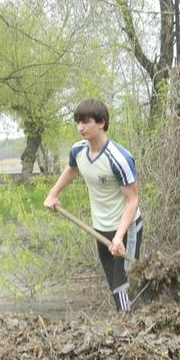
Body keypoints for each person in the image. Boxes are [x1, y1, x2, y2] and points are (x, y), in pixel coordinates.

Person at [43, 99, 142, 311]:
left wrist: (119, 236)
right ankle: (133, 322)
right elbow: (71, 169)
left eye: (86, 122)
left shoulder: (119, 158)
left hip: (126, 228)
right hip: (100, 227)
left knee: (123, 284)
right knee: (114, 286)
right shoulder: (78, 151)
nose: (80, 127)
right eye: (78, 122)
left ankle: (130, 328)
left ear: (101, 123)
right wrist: (53, 194)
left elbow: (132, 200)